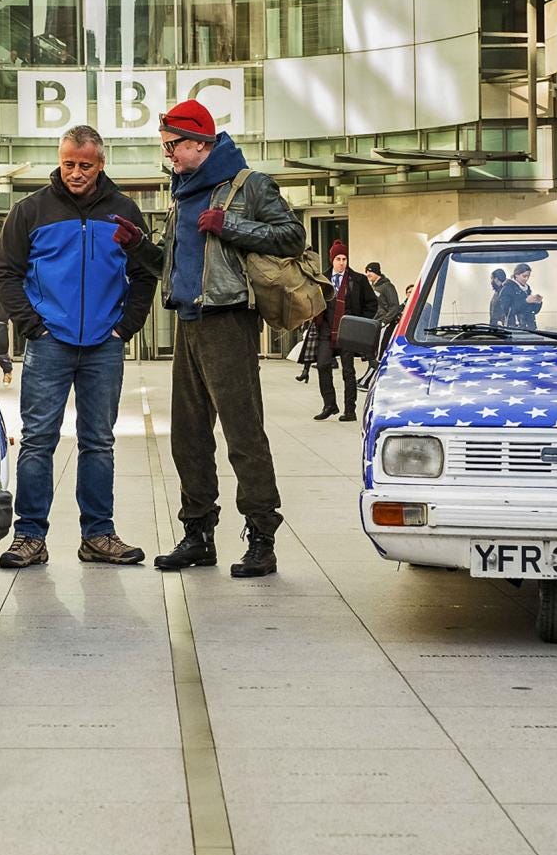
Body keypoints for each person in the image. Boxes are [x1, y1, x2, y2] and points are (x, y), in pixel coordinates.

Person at [121, 98, 305, 579]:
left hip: (229, 321)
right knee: (188, 437)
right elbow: (173, 261)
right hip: (189, 322)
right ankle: (198, 534)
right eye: (166, 147)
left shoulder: (248, 185)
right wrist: (139, 246)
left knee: (243, 434)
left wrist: (232, 225)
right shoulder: (182, 191)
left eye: (173, 146)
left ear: (200, 142)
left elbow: (292, 236)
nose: (169, 156)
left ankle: (261, 538)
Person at [0, 125, 156, 569]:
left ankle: (98, 535)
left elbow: (146, 273)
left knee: (99, 442)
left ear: (101, 164)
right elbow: (4, 273)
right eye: (69, 164)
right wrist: (32, 326)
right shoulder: (31, 211)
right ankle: (29, 536)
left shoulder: (123, 212)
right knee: (38, 440)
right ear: (59, 160)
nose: (76, 173)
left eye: (85, 165)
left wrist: (126, 327)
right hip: (49, 344)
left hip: (104, 344)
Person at [314, 241, 378, 422]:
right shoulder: (322, 279)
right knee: (322, 365)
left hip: (348, 330)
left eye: (344, 259)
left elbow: (371, 303)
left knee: (348, 372)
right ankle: (329, 404)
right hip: (327, 329)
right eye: (338, 259)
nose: (342, 262)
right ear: (332, 260)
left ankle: (350, 410)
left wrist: (359, 323)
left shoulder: (358, 280)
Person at [365, 261, 402, 358]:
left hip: (384, 324)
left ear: (377, 272)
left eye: (370, 271)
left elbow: (394, 306)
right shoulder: (372, 287)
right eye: (367, 272)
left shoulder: (387, 286)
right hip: (375, 323)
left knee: (381, 349)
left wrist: (385, 321)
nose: (368, 274)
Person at [498, 262, 543, 329]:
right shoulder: (507, 289)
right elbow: (507, 311)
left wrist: (538, 302)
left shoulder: (527, 289)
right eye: (524, 276)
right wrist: (526, 301)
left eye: (528, 276)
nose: (526, 279)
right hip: (515, 328)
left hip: (530, 327)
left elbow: (533, 311)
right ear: (516, 275)